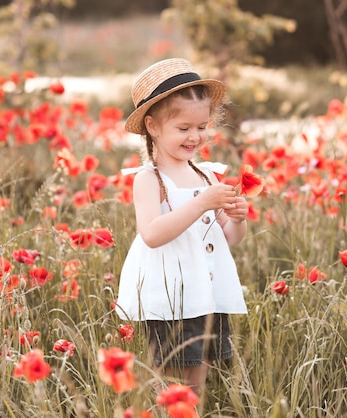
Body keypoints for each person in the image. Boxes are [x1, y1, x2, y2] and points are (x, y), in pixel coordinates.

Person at [115, 58, 248, 396]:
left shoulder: (207, 175)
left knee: (197, 377)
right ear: (153, 127)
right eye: (184, 128)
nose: (195, 136)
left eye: (202, 126)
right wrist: (201, 203)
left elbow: (228, 239)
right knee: (171, 379)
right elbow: (152, 234)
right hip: (170, 295)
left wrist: (237, 218)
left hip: (206, 294)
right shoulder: (149, 179)